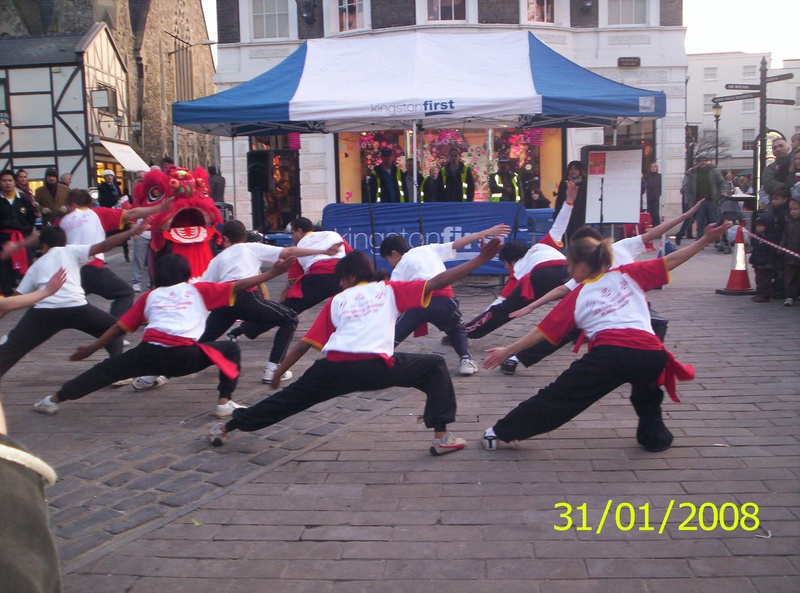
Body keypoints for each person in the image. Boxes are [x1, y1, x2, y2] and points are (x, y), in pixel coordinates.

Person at [206, 238, 504, 454]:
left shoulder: (338, 300)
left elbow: (305, 346)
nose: (339, 285)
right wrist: (479, 261)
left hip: (331, 369)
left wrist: (278, 372)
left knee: (285, 402)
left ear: (349, 277)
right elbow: (439, 281)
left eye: (341, 279)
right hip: (374, 367)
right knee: (435, 367)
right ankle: (442, 438)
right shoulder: (390, 290)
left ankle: (226, 428)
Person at [481, 222, 732, 453]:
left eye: (569, 266)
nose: (568, 272)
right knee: (647, 395)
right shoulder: (629, 273)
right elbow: (672, 260)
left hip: (610, 356)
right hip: (652, 353)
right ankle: (655, 438)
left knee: (559, 397)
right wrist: (704, 240)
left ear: (579, 266)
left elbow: (542, 333)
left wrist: (507, 350)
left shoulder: (577, 295)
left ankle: (499, 433)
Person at [32, 252, 292, 418]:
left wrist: (91, 347)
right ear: (187, 274)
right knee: (230, 350)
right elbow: (239, 285)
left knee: (102, 372)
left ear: (157, 274)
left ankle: (53, 399)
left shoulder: (149, 296)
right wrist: (274, 273)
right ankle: (224, 401)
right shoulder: (199, 290)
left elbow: (118, 328)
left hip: (147, 356)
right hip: (186, 357)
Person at [499, 200, 707, 375]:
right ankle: (517, 357)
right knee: (560, 330)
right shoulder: (585, 272)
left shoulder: (621, 248)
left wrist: (684, 217)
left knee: (657, 323)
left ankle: (650, 363)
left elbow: (655, 236)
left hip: (627, 304)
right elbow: (562, 291)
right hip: (598, 310)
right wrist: (532, 306)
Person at [0, 222, 147, 386]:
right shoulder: (71, 250)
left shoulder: (36, 266)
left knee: (11, 349)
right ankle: (118, 371)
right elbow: (105, 245)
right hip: (76, 308)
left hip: (44, 313)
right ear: (64, 242)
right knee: (114, 329)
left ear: (43, 246)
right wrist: (131, 232)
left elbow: (11, 301)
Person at [200, 220, 344, 384]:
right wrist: (324, 251)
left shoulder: (217, 259)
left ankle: (166, 371)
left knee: (203, 340)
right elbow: (290, 251)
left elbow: (204, 287)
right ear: (244, 236)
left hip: (224, 301)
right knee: (289, 319)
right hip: (245, 297)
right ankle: (272, 369)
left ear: (224, 239)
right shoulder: (250, 247)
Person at [379, 223, 510, 376]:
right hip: (444, 300)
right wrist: (485, 231)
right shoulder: (427, 249)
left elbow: (394, 298)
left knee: (393, 333)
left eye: (387, 258)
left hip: (418, 303)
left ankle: (380, 359)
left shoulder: (399, 268)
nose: (389, 263)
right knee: (456, 328)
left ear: (394, 253)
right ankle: (465, 359)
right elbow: (458, 243)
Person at [462, 183, 576, 340]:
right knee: (580, 301)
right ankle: (580, 333)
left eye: (505, 265)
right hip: (570, 271)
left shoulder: (519, 270)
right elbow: (559, 226)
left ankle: (465, 333)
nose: (506, 268)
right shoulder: (543, 245)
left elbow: (496, 307)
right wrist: (569, 201)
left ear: (510, 261)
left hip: (541, 275)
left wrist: (472, 325)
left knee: (504, 310)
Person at [56, 189, 165, 319]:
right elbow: (131, 214)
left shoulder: (61, 222)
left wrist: (25, 243)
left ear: (72, 205)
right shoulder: (96, 213)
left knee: (61, 305)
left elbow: (43, 239)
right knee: (125, 293)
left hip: (70, 272)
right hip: (93, 268)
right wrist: (159, 207)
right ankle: (113, 333)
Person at [277, 217, 351, 314]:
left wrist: (281, 305)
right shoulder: (333, 235)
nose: (292, 237)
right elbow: (352, 257)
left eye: (292, 233)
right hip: (342, 277)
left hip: (318, 278)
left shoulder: (298, 248)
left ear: (299, 231)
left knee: (287, 313)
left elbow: (291, 283)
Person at [0, 169, 38, 296]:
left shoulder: (22, 199)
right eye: (4, 180)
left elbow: (31, 218)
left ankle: (26, 294)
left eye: (10, 180)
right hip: (3, 240)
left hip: (22, 238)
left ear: (14, 182)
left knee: (27, 267)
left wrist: (25, 236)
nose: (7, 183)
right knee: (4, 271)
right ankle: (7, 295)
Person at [677, 155, 728, 242]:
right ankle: (699, 240)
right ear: (697, 162)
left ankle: (716, 240)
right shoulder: (692, 172)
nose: (703, 163)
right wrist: (688, 199)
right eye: (700, 161)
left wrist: (723, 191)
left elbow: (721, 183)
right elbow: (687, 187)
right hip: (699, 201)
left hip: (712, 200)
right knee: (699, 222)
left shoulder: (714, 171)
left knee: (713, 221)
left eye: (705, 161)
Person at [762, 185, 790, 299]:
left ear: (784, 199)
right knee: (775, 267)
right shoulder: (773, 211)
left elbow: (785, 231)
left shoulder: (785, 213)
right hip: (773, 243)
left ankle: (780, 290)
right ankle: (777, 288)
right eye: (772, 199)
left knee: (781, 269)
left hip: (780, 245)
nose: (773, 202)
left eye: (776, 199)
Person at [553, 161, 587, 242]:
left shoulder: (585, 183)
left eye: (576, 169)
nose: (573, 171)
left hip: (579, 215)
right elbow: (559, 200)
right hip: (566, 213)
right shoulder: (564, 182)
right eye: (571, 169)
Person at [129, 170, 150, 292]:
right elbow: (131, 214)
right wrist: (133, 230)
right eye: (138, 178)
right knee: (139, 259)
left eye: (143, 178)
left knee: (153, 261)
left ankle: (153, 281)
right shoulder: (137, 200)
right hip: (141, 233)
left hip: (154, 232)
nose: (140, 180)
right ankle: (136, 281)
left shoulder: (156, 197)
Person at [749, 216, 773, 303]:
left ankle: (764, 295)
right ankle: (759, 293)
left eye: (760, 226)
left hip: (765, 263)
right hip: (758, 262)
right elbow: (755, 250)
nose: (757, 228)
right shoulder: (756, 237)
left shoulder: (769, 237)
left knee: (764, 280)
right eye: (757, 226)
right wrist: (753, 259)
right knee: (758, 279)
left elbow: (770, 251)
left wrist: (769, 262)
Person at [781, 196, 800, 306]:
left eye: (796, 209)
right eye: (791, 209)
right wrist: (782, 247)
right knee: (790, 276)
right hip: (790, 255)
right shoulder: (789, 222)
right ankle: (790, 296)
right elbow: (785, 236)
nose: (793, 212)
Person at [641, 162, 662, 226]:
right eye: (652, 167)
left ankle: (658, 228)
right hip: (648, 197)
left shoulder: (659, 176)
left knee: (656, 213)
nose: (654, 168)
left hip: (656, 197)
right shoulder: (647, 176)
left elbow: (661, 186)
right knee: (649, 214)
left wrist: (658, 193)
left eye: (655, 167)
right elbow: (644, 185)